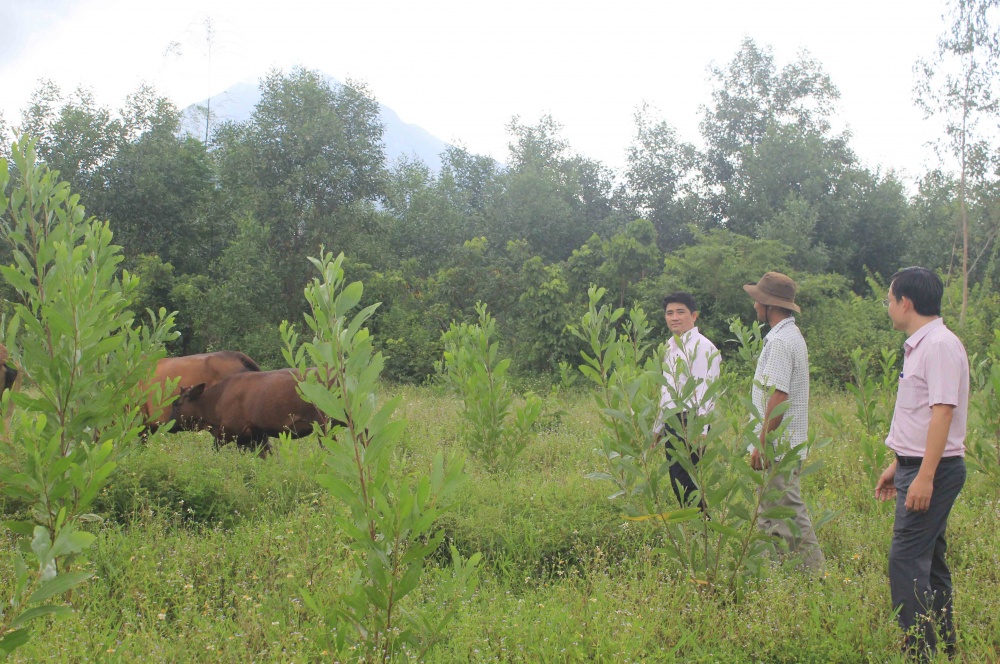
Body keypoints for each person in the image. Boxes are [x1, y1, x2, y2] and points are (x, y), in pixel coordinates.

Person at [874, 267, 968, 659]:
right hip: (918, 465)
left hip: (936, 470)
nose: (888, 307)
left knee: (906, 560)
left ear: (905, 302)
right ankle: (943, 644)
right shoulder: (922, 345)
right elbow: (920, 416)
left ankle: (919, 652)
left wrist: (925, 477)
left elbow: (943, 413)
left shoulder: (939, 346)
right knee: (928, 561)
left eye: (889, 299)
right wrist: (900, 464)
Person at [743, 272, 825, 572]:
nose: (754, 307)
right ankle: (769, 573)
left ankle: (815, 576)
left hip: (778, 445)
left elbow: (779, 396)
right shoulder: (790, 336)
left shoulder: (780, 341)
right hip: (781, 442)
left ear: (769, 305)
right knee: (767, 511)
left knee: (788, 508)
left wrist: (762, 443)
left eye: (757, 301)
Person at [653, 292, 720, 509]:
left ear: (694, 315)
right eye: (669, 313)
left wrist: (701, 428)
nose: (674, 317)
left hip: (691, 420)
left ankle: (702, 527)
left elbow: (707, 389)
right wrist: (658, 427)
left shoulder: (702, 347)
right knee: (677, 479)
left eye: (680, 312)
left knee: (686, 480)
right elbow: (666, 390)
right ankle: (696, 527)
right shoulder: (670, 348)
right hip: (673, 420)